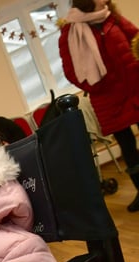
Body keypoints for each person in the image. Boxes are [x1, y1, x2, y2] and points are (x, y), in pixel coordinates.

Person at [58, 0, 139, 212]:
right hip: (108, 97)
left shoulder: (112, 17)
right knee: (128, 146)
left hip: (135, 87)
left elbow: (136, 39)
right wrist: (95, 85)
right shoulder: (70, 31)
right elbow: (71, 71)